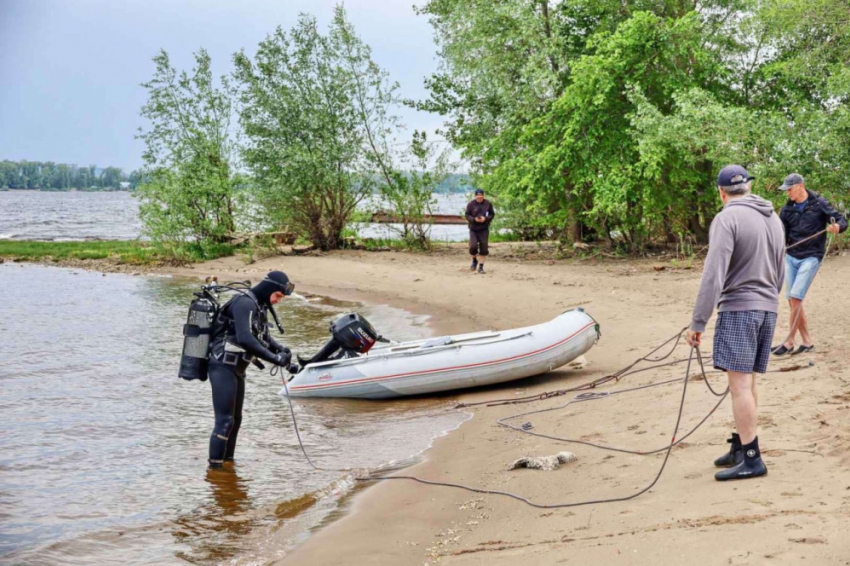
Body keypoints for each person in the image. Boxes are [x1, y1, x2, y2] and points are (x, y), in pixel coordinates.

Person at [686, 165, 785, 481]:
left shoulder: (726, 218)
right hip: (768, 307)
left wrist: (698, 322)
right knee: (748, 382)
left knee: (739, 385)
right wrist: (769, 299)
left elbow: (713, 273)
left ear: (721, 192)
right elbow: (780, 267)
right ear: (748, 187)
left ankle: (753, 459)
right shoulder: (772, 216)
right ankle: (742, 447)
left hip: (740, 309)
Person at [207, 271, 295, 469]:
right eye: (278, 296)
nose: (278, 301)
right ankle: (216, 473)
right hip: (222, 366)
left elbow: (262, 337)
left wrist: (280, 350)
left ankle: (227, 464)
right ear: (268, 289)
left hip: (237, 368)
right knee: (225, 421)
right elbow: (246, 339)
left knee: (235, 420)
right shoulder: (244, 303)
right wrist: (274, 359)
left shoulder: (259, 305)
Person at [771, 173, 847, 356]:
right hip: (791, 256)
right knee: (792, 300)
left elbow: (841, 220)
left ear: (800, 186)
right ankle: (806, 341)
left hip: (811, 256)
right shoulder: (787, 209)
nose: (787, 193)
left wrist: (837, 227)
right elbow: (781, 233)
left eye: (789, 189)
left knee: (796, 298)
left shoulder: (819, 203)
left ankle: (789, 342)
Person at [465, 188, 495, 273]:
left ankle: (481, 267)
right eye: (478, 196)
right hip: (473, 229)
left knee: (484, 248)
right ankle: (474, 260)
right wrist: (474, 219)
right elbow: (467, 215)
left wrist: (485, 219)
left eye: (481, 196)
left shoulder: (488, 203)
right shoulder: (471, 204)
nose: (479, 197)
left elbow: (492, 214)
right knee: (473, 246)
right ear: (475, 196)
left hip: (484, 229)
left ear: (483, 195)